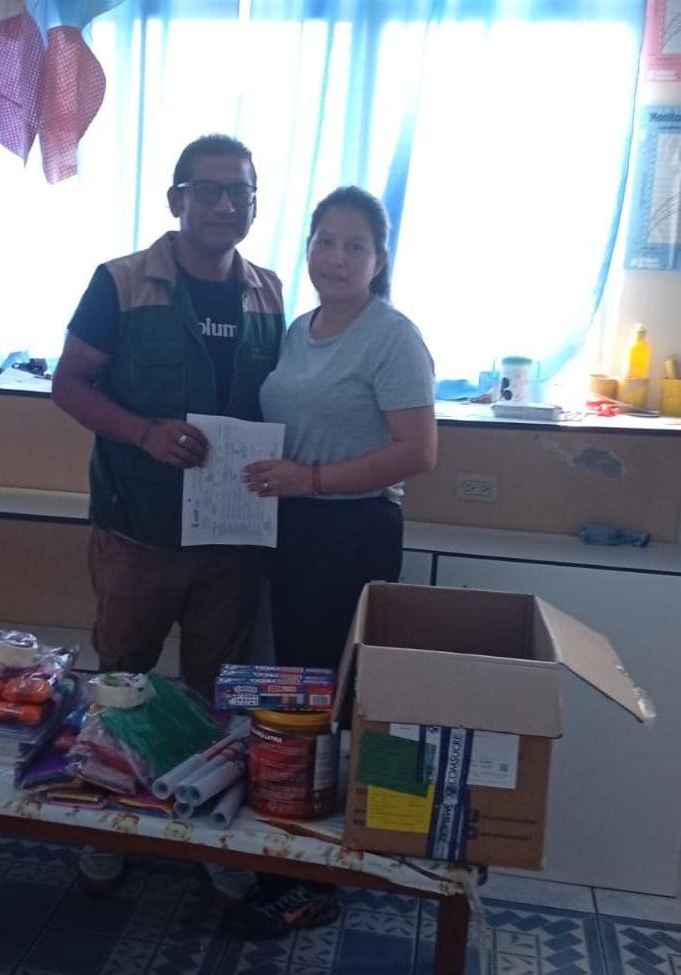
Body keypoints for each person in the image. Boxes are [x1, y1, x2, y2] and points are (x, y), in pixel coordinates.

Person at [52, 134, 284, 900]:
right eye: (208, 189)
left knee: (218, 693)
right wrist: (144, 432)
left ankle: (205, 821)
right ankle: (105, 824)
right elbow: (70, 384)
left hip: (231, 538)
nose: (224, 205)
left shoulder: (268, 293)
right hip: (138, 531)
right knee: (122, 682)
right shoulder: (120, 283)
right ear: (176, 199)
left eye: (240, 191)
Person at [231, 185, 437, 938]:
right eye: (325, 241)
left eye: (356, 246)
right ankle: (291, 852)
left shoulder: (393, 337)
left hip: (352, 533)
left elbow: (417, 452)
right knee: (293, 697)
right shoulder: (298, 330)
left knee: (335, 703)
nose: (337, 257)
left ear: (379, 259)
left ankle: (319, 880)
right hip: (291, 528)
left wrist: (309, 479)